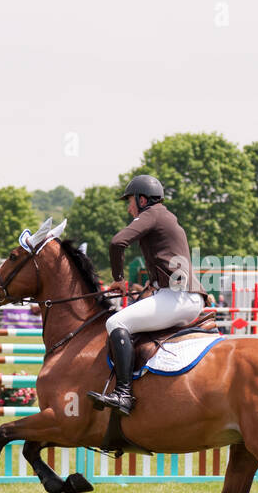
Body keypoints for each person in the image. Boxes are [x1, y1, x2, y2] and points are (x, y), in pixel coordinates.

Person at [86, 174, 204, 416]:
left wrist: (118, 279)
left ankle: (124, 394)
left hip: (178, 297)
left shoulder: (152, 214)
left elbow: (117, 242)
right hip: (183, 296)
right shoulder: (164, 216)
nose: (129, 208)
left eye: (129, 201)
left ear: (142, 199)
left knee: (116, 321)